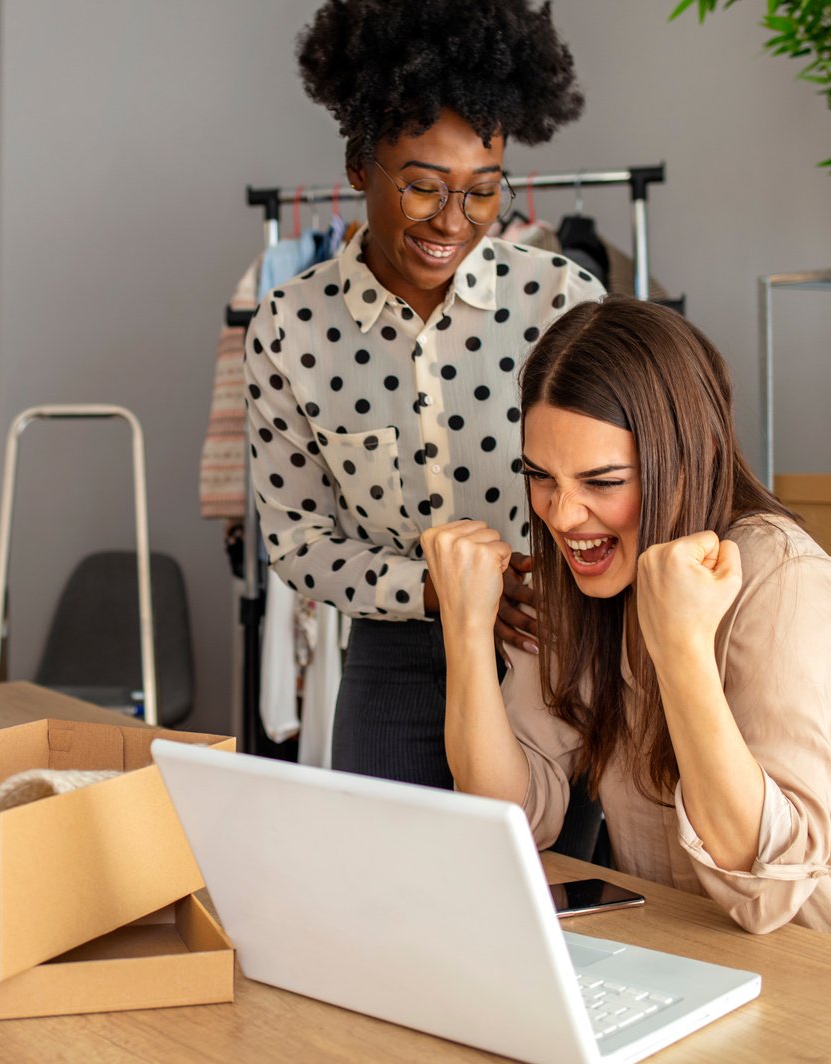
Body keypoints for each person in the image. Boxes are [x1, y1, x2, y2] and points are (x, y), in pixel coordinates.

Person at [423, 296, 831, 974]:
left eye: (604, 481)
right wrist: (466, 631)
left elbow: (766, 885)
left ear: (690, 456)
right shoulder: (584, 579)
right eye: (541, 478)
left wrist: (680, 647)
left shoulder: (784, 580)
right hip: (700, 970)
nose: (564, 514)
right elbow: (508, 820)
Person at [245, 0, 600, 788]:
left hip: (548, 648)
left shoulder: (563, 303)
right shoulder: (290, 327)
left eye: (483, 192)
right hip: (394, 658)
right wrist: (442, 591)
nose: (454, 221)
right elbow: (297, 540)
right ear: (359, 167)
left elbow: (619, 484)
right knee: (388, 888)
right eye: (422, 188)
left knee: (548, 895)